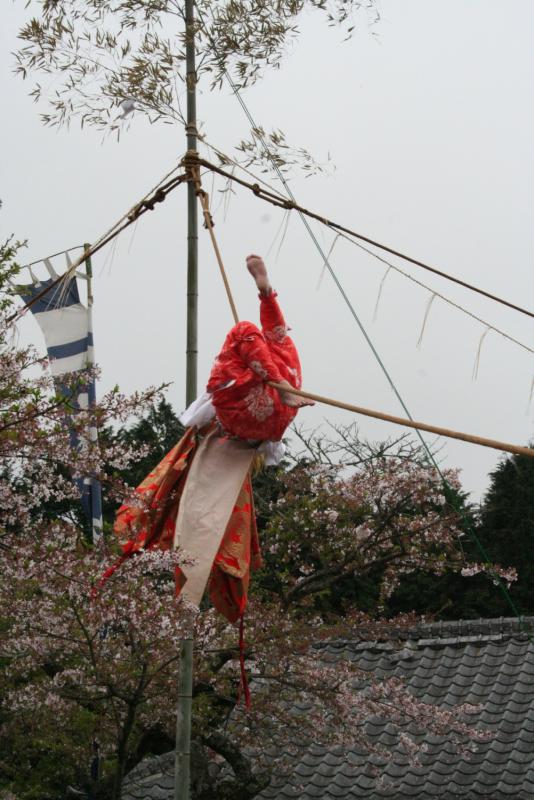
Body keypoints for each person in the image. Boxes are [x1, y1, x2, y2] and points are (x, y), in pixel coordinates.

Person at [109, 255, 311, 624]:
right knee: (268, 337)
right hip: (275, 409)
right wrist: (265, 292)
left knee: (245, 331)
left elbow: (263, 337)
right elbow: (276, 333)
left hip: (256, 406)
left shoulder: (221, 421)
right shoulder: (269, 371)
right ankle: (268, 302)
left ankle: (275, 352)